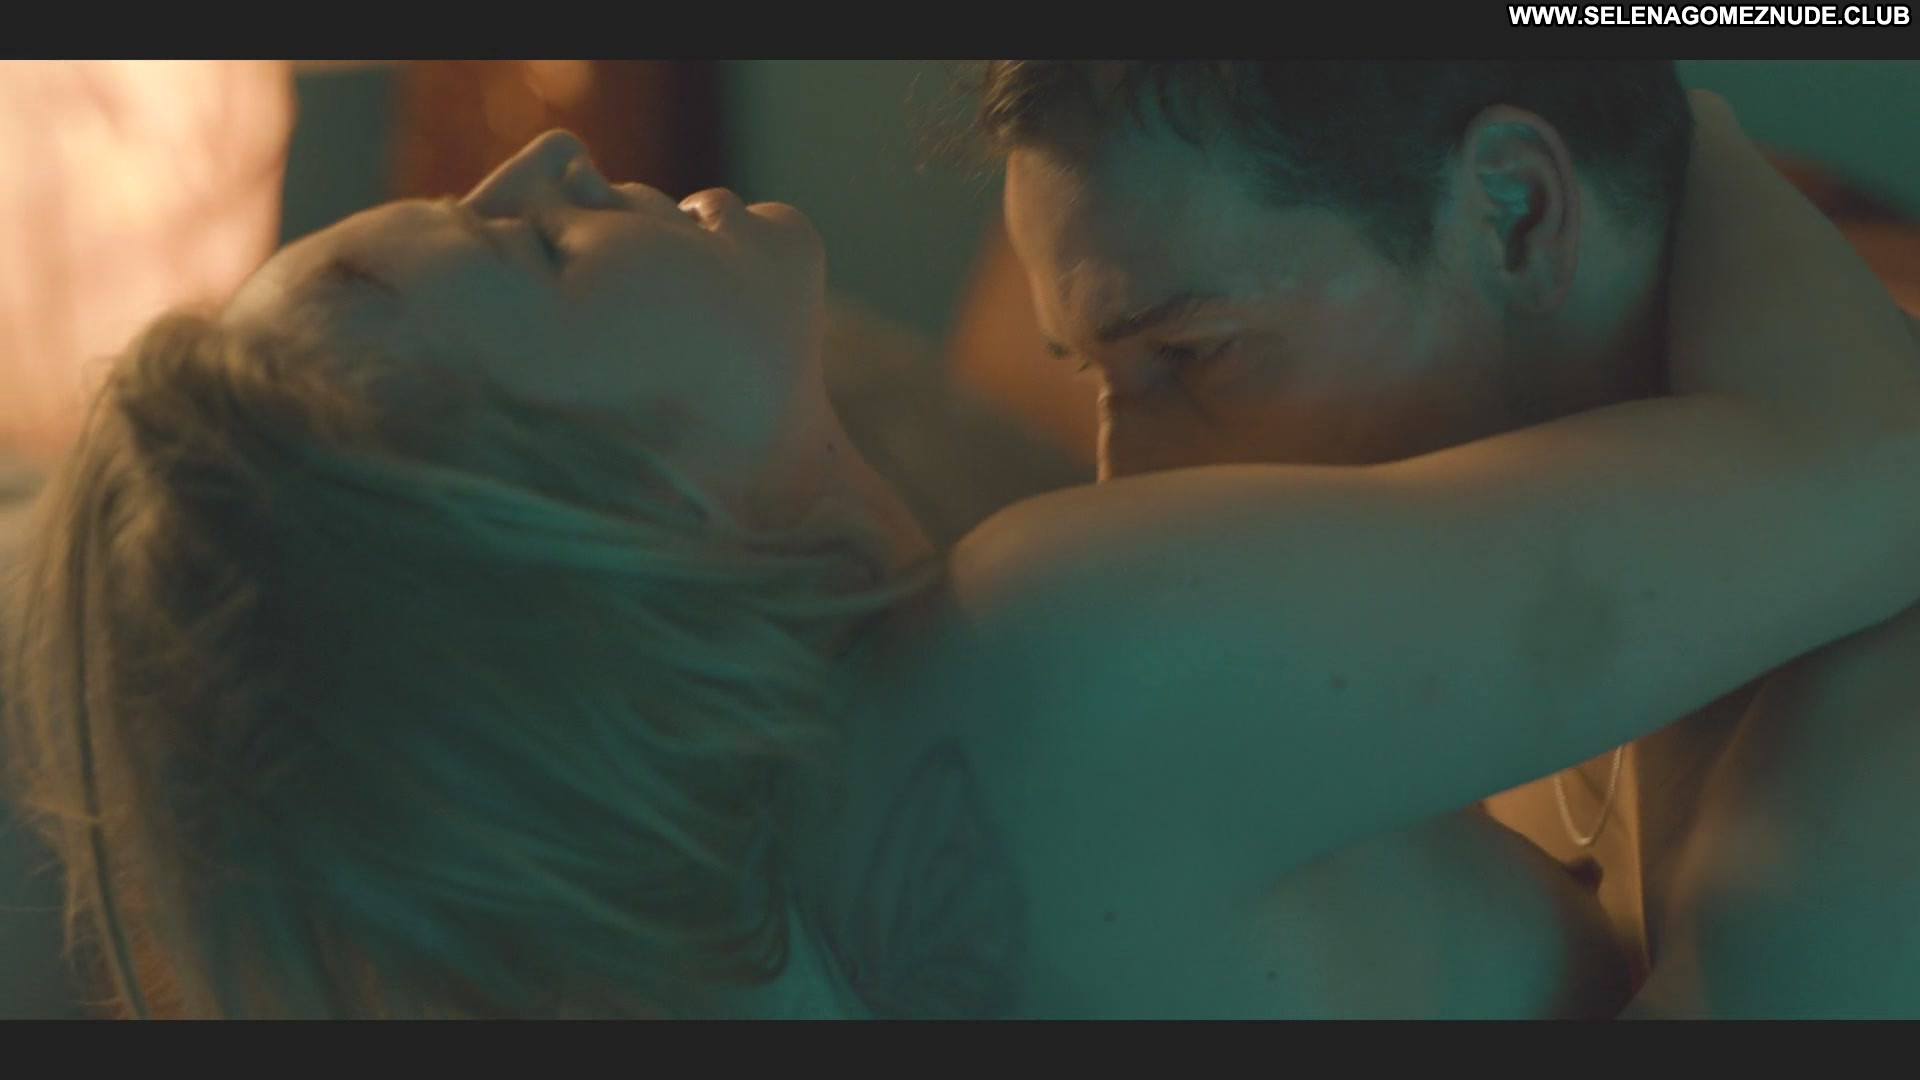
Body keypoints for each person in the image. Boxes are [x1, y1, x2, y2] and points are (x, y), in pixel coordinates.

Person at [4, 98, 1917, 1017]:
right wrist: (1625, 92)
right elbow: (1873, 465)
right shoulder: (1051, 666)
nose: (545, 160)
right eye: (514, 248)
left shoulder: (746, 936)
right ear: (538, 510)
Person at [982, 60, 1920, 1004]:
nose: (1120, 488)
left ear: (1517, 214)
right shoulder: (1422, 607)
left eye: (1191, 353)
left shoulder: (1848, 815)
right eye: (1092, 375)